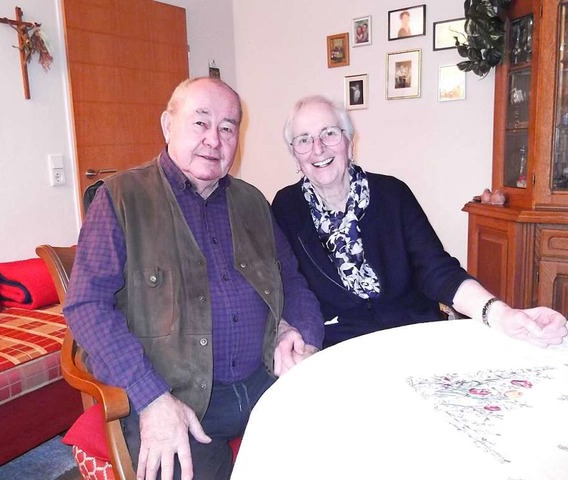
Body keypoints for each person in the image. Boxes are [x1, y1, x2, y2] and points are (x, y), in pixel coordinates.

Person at [64, 78, 324, 480]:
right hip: (177, 399)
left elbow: (291, 279)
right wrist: (150, 397)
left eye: (227, 127)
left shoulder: (252, 201)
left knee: (344, 449)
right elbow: (86, 306)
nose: (214, 140)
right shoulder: (120, 198)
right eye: (200, 123)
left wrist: (299, 332)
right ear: (168, 125)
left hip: (265, 379)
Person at [272, 95, 568, 349]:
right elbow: (288, 286)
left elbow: (436, 269)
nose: (318, 148)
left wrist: (499, 313)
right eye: (304, 140)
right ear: (295, 156)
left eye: (329, 133)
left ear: (349, 142)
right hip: (343, 346)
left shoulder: (392, 194)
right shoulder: (286, 207)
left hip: (412, 333)